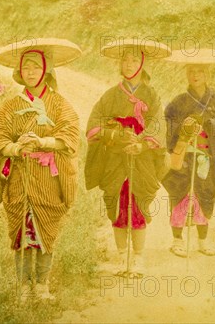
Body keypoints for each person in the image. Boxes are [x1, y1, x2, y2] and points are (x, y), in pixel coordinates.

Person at [0, 38, 81, 301]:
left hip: (49, 178)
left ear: (46, 70)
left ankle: (43, 284)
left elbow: (71, 134)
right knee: (21, 230)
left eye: (36, 67)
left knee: (45, 229)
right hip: (20, 177)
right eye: (26, 67)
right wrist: (16, 149)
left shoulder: (60, 104)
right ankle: (24, 286)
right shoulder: (10, 106)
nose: (30, 72)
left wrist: (44, 142)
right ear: (19, 71)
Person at [85, 39, 170, 278]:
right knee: (116, 203)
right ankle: (123, 257)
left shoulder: (151, 95)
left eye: (134, 59)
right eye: (125, 59)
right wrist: (113, 133)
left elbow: (157, 124)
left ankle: (139, 258)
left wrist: (141, 145)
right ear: (119, 64)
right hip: (114, 158)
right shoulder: (110, 95)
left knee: (139, 203)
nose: (129, 64)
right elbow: (94, 123)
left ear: (142, 63)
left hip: (141, 158)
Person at [162, 49, 215, 257]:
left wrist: (208, 123)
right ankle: (177, 240)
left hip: (208, 156)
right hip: (185, 155)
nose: (195, 75)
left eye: (200, 71)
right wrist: (184, 128)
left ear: (206, 74)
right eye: (191, 71)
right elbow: (169, 121)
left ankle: (203, 241)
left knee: (205, 196)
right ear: (186, 75)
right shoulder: (179, 101)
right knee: (180, 196)